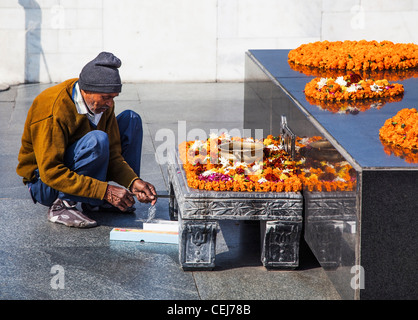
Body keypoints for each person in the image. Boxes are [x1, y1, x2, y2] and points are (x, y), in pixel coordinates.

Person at [16, 52, 157, 228]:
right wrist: (104, 191)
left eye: (113, 98)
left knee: (131, 120)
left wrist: (133, 181)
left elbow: (113, 154)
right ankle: (62, 205)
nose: (110, 104)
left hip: (76, 164)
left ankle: (96, 201)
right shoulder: (52, 108)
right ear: (86, 90)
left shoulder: (103, 104)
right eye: (106, 98)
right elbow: (50, 171)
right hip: (44, 183)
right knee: (97, 140)